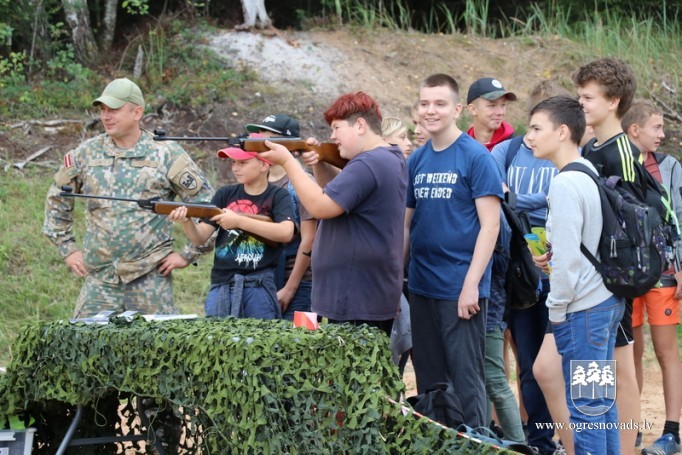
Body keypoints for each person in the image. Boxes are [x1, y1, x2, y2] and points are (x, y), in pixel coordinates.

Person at [43, 77, 215, 318]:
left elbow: (208, 206)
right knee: (84, 340)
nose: (105, 116)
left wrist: (188, 254)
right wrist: (68, 249)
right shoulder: (86, 153)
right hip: (100, 281)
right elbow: (57, 198)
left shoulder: (166, 154)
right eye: (102, 110)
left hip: (150, 280)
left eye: (113, 109)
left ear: (137, 112)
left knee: (157, 342)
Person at [259, 92, 407, 337]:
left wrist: (288, 162)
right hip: (359, 295)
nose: (333, 136)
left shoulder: (368, 163)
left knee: (354, 362)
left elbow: (320, 206)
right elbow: (337, 193)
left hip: (357, 297)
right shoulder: (381, 158)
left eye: (337, 128)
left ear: (360, 125)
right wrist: (319, 162)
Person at [528, 94, 624, 455]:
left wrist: (555, 311)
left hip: (582, 311)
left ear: (562, 131)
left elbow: (568, 262)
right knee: (599, 404)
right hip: (603, 301)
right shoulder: (586, 171)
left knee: (586, 409)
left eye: (536, 128)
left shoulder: (565, 183)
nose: (529, 137)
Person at [404, 73, 502, 428]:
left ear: (458, 109)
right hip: (421, 286)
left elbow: (490, 226)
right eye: (424, 104)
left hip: (460, 289)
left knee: (466, 380)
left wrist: (471, 284)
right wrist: (397, 277)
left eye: (440, 104)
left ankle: (475, 443)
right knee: (430, 381)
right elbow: (405, 225)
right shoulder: (417, 160)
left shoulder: (476, 157)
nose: (431, 111)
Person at [490, 79, 571, 454]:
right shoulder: (507, 151)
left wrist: (520, 200)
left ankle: (584, 437)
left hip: (565, 275)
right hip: (522, 271)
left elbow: (562, 197)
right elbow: (494, 196)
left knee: (569, 362)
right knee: (529, 362)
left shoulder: (574, 159)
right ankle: (540, 440)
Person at [573, 57, 646, 454]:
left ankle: (623, 447)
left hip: (614, 279)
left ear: (613, 101)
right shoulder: (590, 147)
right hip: (589, 276)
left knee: (618, 369)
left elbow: (635, 223)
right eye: (580, 96)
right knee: (592, 370)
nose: (581, 103)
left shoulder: (624, 153)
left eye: (588, 97)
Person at [169, 146, 295, 320]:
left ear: (264, 165)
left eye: (243, 163)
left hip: (259, 286)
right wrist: (186, 221)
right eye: (234, 162)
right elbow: (200, 237)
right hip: (222, 284)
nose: (235, 168)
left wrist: (238, 222)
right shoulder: (225, 194)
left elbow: (286, 232)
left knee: (260, 335)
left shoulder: (278, 195)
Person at [465, 75, 525, 444]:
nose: (499, 110)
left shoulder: (517, 145)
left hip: (507, 264)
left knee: (516, 358)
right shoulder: (460, 146)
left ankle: (527, 435)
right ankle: (491, 433)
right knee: (488, 360)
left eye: (503, 103)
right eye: (491, 103)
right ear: (471, 109)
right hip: (471, 268)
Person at [623, 99, 682, 455]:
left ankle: (672, 432)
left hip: (665, 273)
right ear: (634, 129)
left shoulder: (670, 166)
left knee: (665, 350)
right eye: (656, 127)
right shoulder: (615, 163)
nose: (662, 134)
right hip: (626, 276)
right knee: (630, 351)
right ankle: (629, 427)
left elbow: (680, 218)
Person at [244, 114, 318, 321]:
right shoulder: (257, 183)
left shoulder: (301, 183)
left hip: (302, 286)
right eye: (259, 137)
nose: (261, 143)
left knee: (301, 339)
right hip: (263, 283)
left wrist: (290, 289)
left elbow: (310, 239)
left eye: (268, 138)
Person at [466, 77, 517, 151]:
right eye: (492, 105)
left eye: (503, 105)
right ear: (473, 109)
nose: (500, 112)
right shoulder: (461, 147)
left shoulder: (515, 147)